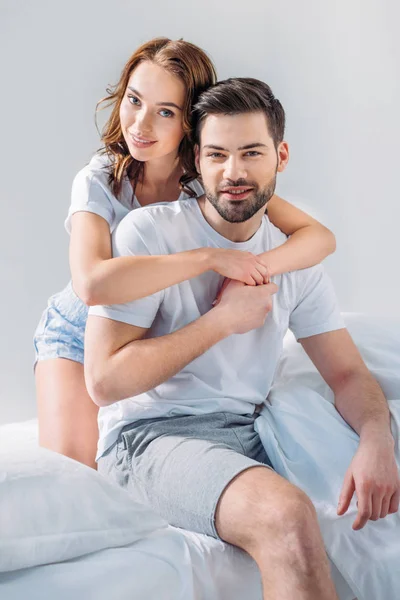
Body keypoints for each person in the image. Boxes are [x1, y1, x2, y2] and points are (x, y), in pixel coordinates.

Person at [85, 77, 399, 600]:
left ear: (281, 155)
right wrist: (221, 321)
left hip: (250, 430)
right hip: (150, 438)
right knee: (286, 514)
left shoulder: (294, 259)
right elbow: (104, 381)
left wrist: (376, 439)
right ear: (197, 162)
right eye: (218, 155)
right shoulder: (150, 235)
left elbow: (346, 373)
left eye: (252, 153)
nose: (234, 173)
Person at [34, 38, 336, 470]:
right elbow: (91, 285)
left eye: (165, 112)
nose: (141, 124)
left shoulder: (208, 176)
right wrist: (209, 258)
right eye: (134, 100)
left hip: (144, 333)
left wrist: (254, 270)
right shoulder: (101, 178)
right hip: (78, 332)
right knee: (76, 476)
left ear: (190, 124)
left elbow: (319, 238)